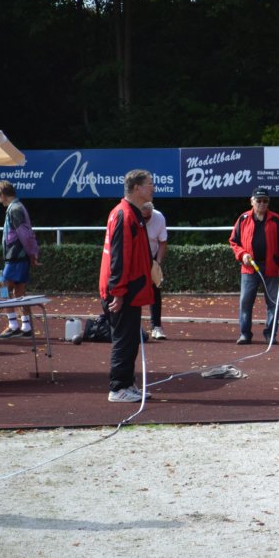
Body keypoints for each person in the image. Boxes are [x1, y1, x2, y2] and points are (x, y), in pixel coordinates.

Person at [99, 169, 155, 402]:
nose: (153, 187)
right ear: (136, 188)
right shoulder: (124, 214)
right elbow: (119, 257)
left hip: (130, 288)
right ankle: (118, 388)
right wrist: (118, 292)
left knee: (131, 339)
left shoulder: (131, 213)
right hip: (123, 290)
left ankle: (127, 383)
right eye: (149, 183)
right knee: (124, 340)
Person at [229, 187, 279, 345]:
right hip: (249, 268)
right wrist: (242, 254)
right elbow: (234, 242)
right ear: (252, 201)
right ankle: (245, 334)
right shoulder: (243, 219)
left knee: (273, 303)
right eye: (259, 200)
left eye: (265, 201)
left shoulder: (276, 220)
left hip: (272, 268)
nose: (262, 203)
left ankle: (270, 334)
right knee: (245, 302)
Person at [0, 181, 40, 339]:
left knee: (2, 289)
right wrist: (32, 253)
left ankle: (13, 325)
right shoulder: (18, 207)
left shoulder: (14, 209)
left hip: (15, 257)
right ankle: (26, 326)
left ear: (2, 195)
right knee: (19, 292)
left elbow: (25, 234)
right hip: (20, 256)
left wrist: (32, 252)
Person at [141, 202, 168, 340]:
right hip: (135, 256)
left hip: (152, 256)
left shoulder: (159, 217)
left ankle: (156, 326)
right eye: (143, 217)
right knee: (132, 291)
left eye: (147, 217)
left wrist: (157, 263)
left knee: (155, 290)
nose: (145, 220)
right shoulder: (131, 217)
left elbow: (162, 242)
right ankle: (131, 326)